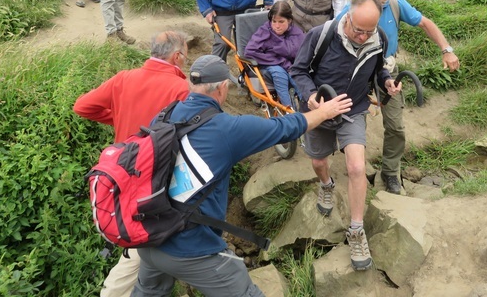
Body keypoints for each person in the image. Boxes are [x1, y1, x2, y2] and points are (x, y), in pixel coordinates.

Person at [131, 54, 352, 297]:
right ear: (222, 88)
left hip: (150, 239)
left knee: (147, 293)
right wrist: (325, 112)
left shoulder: (164, 115)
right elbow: (284, 128)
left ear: (191, 85)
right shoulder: (227, 129)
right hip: (190, 249)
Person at [73, 30, 190, 297]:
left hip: (121, 173)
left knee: (133, 229)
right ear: (177, 56)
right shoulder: (180, 89)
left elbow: (82, 106)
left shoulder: (124, 78)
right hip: (158, 178)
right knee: (145, 240)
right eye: (185, 56)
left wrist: (118, 119)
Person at [290, 0, 401, 271]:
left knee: (356, 167)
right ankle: (326, 185)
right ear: (347, 18)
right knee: (318, 161)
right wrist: (312, 96)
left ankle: (356, 230)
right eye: (357, 30)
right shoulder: (322, 35)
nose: (363, 37)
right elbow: (298, 70)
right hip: (320, 109)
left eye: (369, 31)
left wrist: (386, 82)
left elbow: (376, 73)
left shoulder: (379, 40)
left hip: (353, 110)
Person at [364, 0, 460, 194]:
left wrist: (447, 49)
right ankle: (355, 168)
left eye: (384, 1)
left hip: (387, 69)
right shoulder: (352, 10)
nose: (381, 6)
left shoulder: (396, 3)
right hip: (358, 70)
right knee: (353, 122)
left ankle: (390, 172)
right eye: (376, 1)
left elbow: (425, 23)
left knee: (396, 126)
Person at [243, 1, 305, 107]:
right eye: (274, 21)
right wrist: (281, 61)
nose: (277, 26)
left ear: (289, 20)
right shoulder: (264, 31)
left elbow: (301, 54)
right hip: (268, 65)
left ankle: (307, 106)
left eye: (281, 22)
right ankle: (289, 112)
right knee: (280, 74)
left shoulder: (297, 33)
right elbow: (250, 52)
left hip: (291, 66)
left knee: (299, 76)